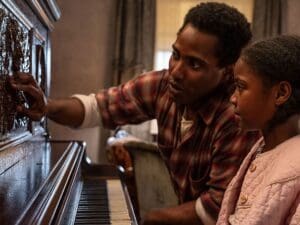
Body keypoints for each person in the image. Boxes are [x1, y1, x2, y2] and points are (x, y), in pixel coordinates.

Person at [10, 2, 259, 225]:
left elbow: (217, 209)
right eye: (176, 55)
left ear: (227, 72)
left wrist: (150, 218)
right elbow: (96, 108)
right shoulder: (162, 86)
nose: (175, 71)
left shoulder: (238, 117)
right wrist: (47, 106)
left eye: (194, 64)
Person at [216, 35, 300, 225]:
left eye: (241, 87)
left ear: (280, 93)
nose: (233, 98)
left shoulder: (295, 166)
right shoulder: (262, 146)